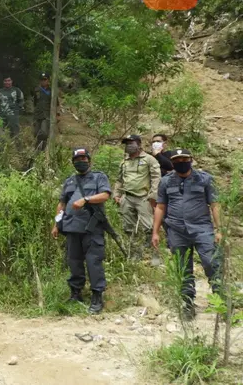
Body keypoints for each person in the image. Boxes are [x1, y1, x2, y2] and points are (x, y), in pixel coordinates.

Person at [152, 148, 222, 321]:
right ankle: (187, 304)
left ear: (191, 159)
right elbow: (160, 207)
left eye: (184, 159)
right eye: (177, 160)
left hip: (202, 229)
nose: (181, 163)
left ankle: (221, 301)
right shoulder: (166, 181)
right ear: (173, 162)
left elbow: (214, 204)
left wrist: (219, 229)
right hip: (176, 230)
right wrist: (155, 232)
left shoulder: (204, 179)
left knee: (211, 263)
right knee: (183, 268)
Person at [51, 148, 112, 314]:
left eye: (83, 158)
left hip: (91, 228)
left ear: (89, 160)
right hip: (71, 227)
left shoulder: (99, 177)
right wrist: (56, 224)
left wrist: (86, 199)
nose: (81, 161)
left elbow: (105, 195)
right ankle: (76, 293)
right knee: (74, 261)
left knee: (93, 262)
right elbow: (62, 204)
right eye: (77, 159)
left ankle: (97, 296)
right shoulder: (70, 181)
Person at [112, 135, 160, 260]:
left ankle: (154, 255)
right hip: (127, 198)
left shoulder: (149, 159)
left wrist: (153, 196)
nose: (128, 145)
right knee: (128, 228)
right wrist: (116, 194)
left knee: (149, 227)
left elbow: (156, 178)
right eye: (126, 143)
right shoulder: (124, 161)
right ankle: (135, 254)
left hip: (144, 198)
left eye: (131, 143)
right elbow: (119, 179)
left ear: (139, 144)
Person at [33, 73, 53, 151]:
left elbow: (56, 103)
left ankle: (42, 148)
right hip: (37, 115)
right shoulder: (36, 90)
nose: (43, 81)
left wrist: (57, 114)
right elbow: (34, 102)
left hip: (46, 115)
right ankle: (37, 149)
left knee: (44, 132)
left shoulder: (51, 91)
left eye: (45, 79)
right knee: (36, 133)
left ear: (48, 80)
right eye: (42, 80)